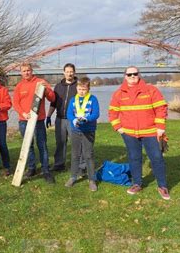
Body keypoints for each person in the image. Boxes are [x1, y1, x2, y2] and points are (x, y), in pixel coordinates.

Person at [109, 66, 170, 200]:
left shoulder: (151, 90)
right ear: (125, 76)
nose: (132, 76)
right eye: (129, 74)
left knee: (156, 158)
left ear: (139, 75)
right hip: (129, 133)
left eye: (135, 74)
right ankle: (137, 184)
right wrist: (118, 127)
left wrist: (160, 127)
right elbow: (112, 112)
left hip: (150, 132)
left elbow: (161, 107)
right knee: (134, 158)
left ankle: (162, 186)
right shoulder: (119, 93)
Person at [13, 63, 56, 184]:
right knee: (28, 146)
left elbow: (52, 98)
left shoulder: (40, 82)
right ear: (21, 73)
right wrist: (23, 113)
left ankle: (46, 170)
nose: (26, 72)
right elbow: (16, 103)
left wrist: (46, 89)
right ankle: (32, 168)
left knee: (42, 145)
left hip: (38, 120)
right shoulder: (19, 86)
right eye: (24, 71)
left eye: (28, 70)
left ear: (32, 71)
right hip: (24, 121)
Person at [64, 77, 100, 191]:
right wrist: (73, 120)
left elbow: (96, 114)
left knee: (88, 155)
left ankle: (92, 179)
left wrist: (86, 118)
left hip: (88, 130)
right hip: (75, 131)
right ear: (76, 88)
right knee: (75, 155)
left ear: (88, 88)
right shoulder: (73, 100)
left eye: (84, 89)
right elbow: (69, 113)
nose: (81, 91)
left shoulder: (93, 99)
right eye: (79, 89)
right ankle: (73, 177)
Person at [46, 63, 82, 172]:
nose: (69, 74)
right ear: (64, 73)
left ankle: (80, 167)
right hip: (60, 119)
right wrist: (48, 116)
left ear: (74, 72)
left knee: (76, 143)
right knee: (60, 142)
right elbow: (53, 103)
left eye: (71, 71)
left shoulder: (79, 86)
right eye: (67, 71)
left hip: (74, 120)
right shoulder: (58, 86)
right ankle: (59, 164)